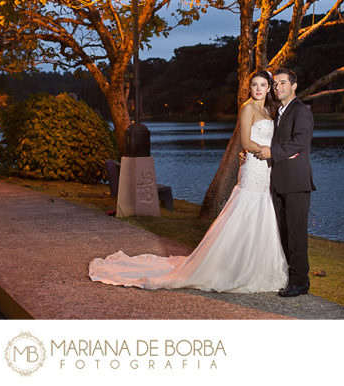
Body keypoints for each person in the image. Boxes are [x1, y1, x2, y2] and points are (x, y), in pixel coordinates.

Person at [88, 70, 288, 293]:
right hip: (254, 167)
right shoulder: (248, 107)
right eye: (254, 84)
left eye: (262, 85)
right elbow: (245, 142)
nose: (258, 89)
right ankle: (234, 267)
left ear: (269, 88)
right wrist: (268, 151)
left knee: (262, 211)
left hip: (265, 169)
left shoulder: (268, 109)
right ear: (249, 87)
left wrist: (272, 153)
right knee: (246, 210)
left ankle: (258, 264)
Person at [247, 67, 315, 297]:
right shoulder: (278, 112)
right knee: (282, 233)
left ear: (294, 86)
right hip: (277, 181)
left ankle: (300, 281)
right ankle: (287, 276)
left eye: (283, 83)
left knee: (296, 234)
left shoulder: (301, 111)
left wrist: (271, 152)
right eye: (275, 84)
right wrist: (252, 153)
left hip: (296, 182)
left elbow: (300, 142)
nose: (277, 88)